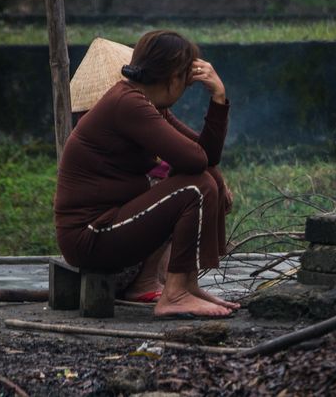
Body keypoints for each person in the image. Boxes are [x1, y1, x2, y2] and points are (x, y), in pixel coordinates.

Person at [55, 30, 239, 318]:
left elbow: (207, 157)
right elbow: (195, 159)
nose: (187, 85)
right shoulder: (127, 103)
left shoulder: (147, 103)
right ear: (172, 77)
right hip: (90, 235)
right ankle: (175, 294)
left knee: (208, 176)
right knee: (196, 187)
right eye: (185, 78)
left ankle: (187, 286)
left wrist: (218, 96)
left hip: (112, 223)